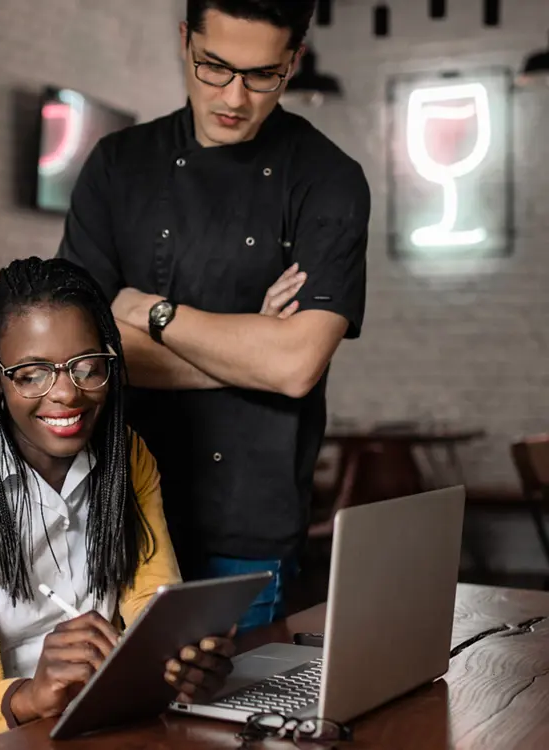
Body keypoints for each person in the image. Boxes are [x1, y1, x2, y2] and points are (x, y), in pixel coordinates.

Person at [57, 0, 369, 631]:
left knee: (229, 723)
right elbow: (79, 354)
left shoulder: (329, 180)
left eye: (262, 76)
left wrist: (150, 312)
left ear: (293, 62)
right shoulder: (116, 165)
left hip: (245, 528)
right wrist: (246, 346)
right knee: (106, 723)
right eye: (214, 68)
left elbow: (295, 364)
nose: (235, 96)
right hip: (110, 512)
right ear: (185, 40)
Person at [0, 257, 236, 750]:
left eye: (86, 367)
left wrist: (182, 659)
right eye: (31, 374)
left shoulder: (127, 458)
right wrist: (29, 698)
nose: (65, 393)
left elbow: (153, 604)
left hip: (91, 727)